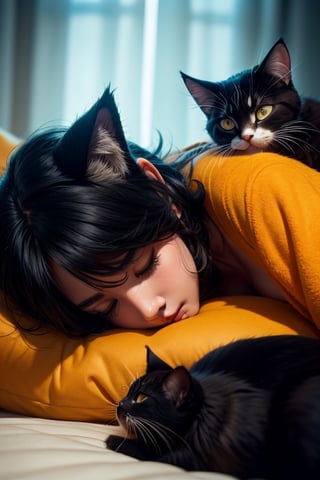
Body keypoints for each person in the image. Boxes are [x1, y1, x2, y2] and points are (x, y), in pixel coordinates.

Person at [0, 86, 319, 337]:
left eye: (145, 266)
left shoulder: (260, 191)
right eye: (106, 307)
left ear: (158, 190)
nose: (149, 308)